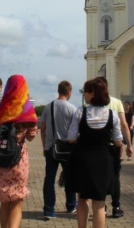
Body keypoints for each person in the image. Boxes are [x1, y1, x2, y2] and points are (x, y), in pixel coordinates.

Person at [67, 78, 123, 228]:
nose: (84, 94)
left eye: (86, 91)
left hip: (83, 159)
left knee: (82, 199)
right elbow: (118, 140)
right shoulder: (112, 115)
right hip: (103, 160)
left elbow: (71, 138)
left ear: (93, 94)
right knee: (99, 203)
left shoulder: (81, 111)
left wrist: (82, 136)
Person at [0, 75, 38, 228]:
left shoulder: (2, 109)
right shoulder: (27, 109)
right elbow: (31, 136)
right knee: (17, 202)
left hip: (1, 161)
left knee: (4, 201)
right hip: (19, 160)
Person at [40, 80, 77, 219]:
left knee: (49, 178)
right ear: (69, 92)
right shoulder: (72, 109)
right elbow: (76, 131)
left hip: (51, 148)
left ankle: (49, 209)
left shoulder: (48, 107)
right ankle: (71, 205)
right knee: (70, 177)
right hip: (68, 149)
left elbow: (42, 129)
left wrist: (44, 145)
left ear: (58, 91)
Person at [95, 76, 132, 218]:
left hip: (97, 148)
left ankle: (101, 207)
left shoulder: (89, 105)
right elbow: (124, 125)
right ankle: (116, 207)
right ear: (107, 88)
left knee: (99, 177)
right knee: (115, 176)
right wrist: (129, 145)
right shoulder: (116, 103)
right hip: (114, 147)